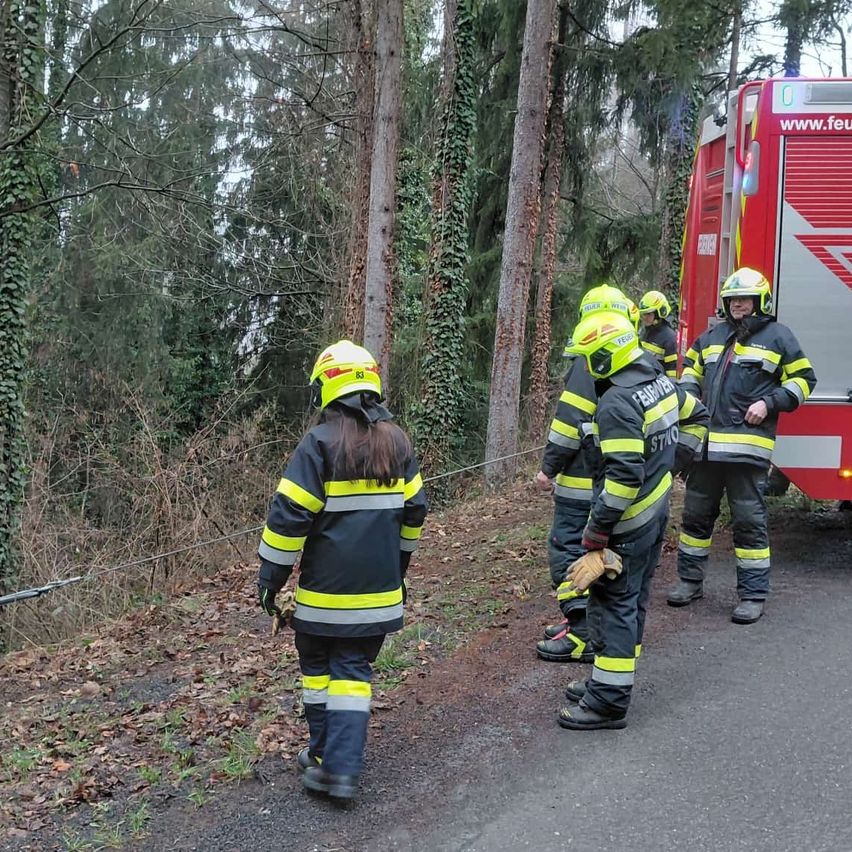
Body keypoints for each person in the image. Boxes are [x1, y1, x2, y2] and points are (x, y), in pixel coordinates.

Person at [256, 340, 427, 799]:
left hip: (323, 600)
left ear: (326, 389)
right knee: (351, 669)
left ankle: (337, 766)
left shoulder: (318, 444)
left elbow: (288, 518)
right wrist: (400, 569)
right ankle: (326, 757)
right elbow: (415, 513)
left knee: (318, 668)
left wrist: (269, 582)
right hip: (379, 595)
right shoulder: (398, 442)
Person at [557, 311, 709, 730]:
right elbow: (699, 415)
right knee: (634, 599)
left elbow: (623, 477)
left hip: (626, 524)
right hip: (654, 513)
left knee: (614, 604)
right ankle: (609, 679)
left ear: (606, 358)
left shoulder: (616, 403)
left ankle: (608, 701)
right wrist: (675, 465)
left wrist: (595, 535)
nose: (584, 368)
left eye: (588, 359)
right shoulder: (659, 383)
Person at [667, 267, 816, 623]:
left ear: (760, 301)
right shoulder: (711, 337)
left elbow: (805, 379)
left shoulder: (779, 337)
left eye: (745, 299)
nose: (738, 305)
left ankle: (752, 595)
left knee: (749, 522)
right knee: (695, 518)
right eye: (733, 299)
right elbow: (690, 374)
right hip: (705, 450)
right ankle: (689, 581)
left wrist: (770, 403)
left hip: (747, 453)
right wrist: (689, 400)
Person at [534, 284, 638, 664]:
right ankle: (581, 624)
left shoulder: (587, 361)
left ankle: (579, 632)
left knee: (569, 553)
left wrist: (548, 468)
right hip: (609, 484)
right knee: (595, 556)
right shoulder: (631, 356)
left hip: (580, 483)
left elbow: (567, 423)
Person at [638, 290, 678, 378]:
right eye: (643, 314)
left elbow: (672, 374)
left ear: (659, 313)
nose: (644, 317)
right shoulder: (643, 331)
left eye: (648, 314)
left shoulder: (669, 338)